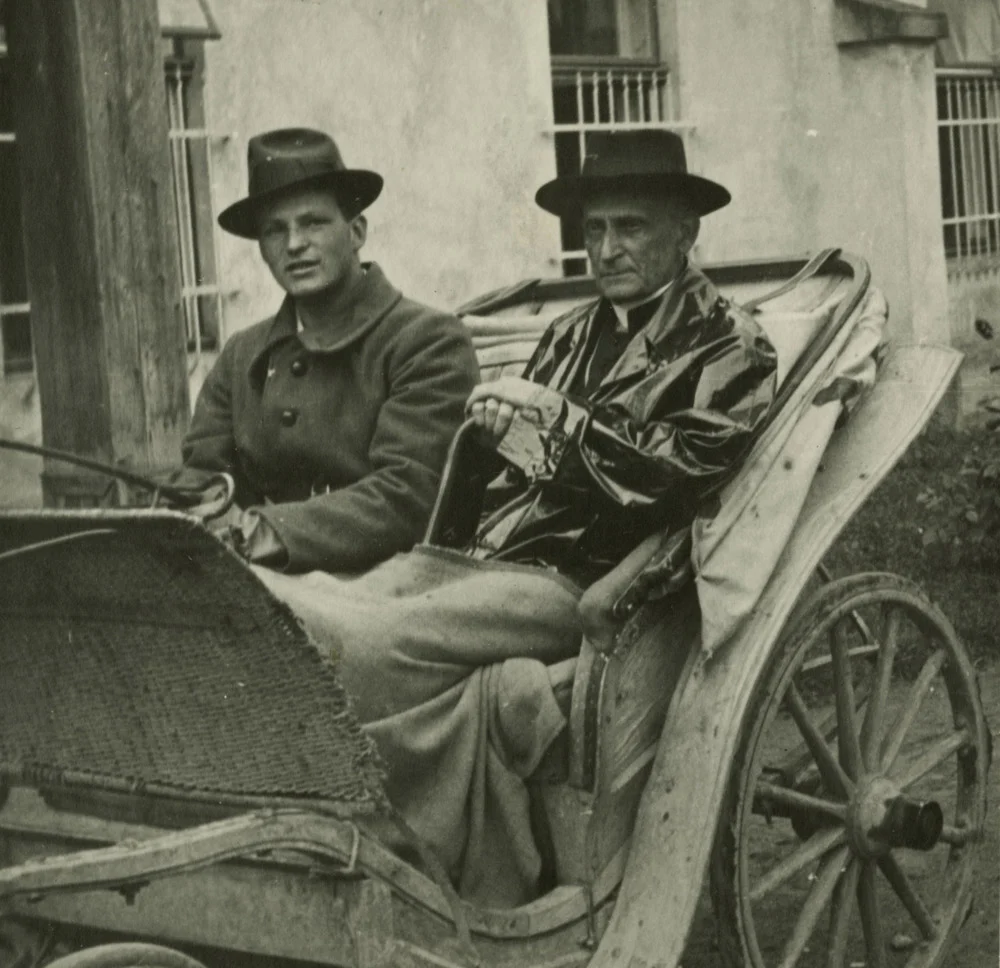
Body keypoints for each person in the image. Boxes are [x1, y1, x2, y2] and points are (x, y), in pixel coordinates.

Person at [257, 130, 778, 908]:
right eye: (593, 231)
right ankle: (330, 779)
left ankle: (382, 840)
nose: (606, 249)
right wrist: (498, 431)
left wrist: (560, 424)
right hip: (476, 561)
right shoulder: (572, 334)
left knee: (373, 642)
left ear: (685, 231)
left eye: (629, 227)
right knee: (336, 594)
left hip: (580, 579)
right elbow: (516, 461)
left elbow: (679, 477)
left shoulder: (728, 345)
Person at [180, 128, 479, 573]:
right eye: (274, 231)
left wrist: (267, 532)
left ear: (356, 231)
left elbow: (408, 496)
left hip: (384, 585)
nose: (295, 245)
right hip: (258, 576)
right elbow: (204, 478)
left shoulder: (427, 340)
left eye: (313, 223)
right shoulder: (243, 355)